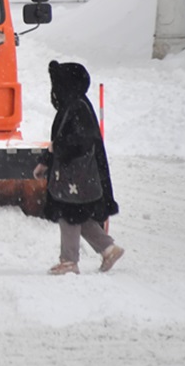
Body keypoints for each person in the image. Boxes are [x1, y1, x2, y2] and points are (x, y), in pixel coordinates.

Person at [33, 60, 125, 275]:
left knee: (69, 213)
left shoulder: (77, 107)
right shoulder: (74, 105)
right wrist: (45, 161)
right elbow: (60, 141)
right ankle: (108, 249)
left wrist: (56, 152)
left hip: (77, 175)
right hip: (76, 174)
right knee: (78, 215)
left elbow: (78, 142)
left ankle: (69, 261)